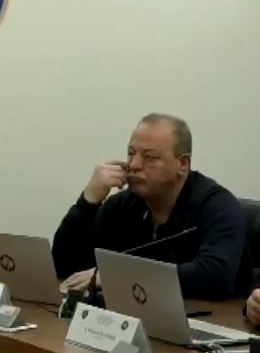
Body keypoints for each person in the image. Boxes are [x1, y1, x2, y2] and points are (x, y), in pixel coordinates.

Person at [52, 113, 251, 301]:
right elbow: (65, 266)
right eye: (131, 153)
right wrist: (88, 202)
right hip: (139, 315)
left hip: (213, 319)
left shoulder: (218, 206)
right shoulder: (123, 205)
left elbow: (216, 276)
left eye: (150, 157)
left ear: (183, 164)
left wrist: (118, 276)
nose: (134, 165)